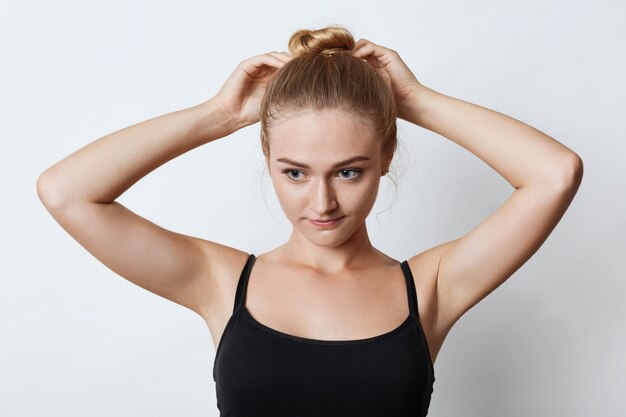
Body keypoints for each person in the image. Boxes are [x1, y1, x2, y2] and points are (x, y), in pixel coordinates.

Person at [36, 25, 583, 417]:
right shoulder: (220, 281)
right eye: (295, 172)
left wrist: (414, 99)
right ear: (268, 160)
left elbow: (555, 174)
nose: (321, 203)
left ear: (386, 157)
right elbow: (67, 192)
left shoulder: (431, 285)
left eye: (348, 172)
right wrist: (218, 116)